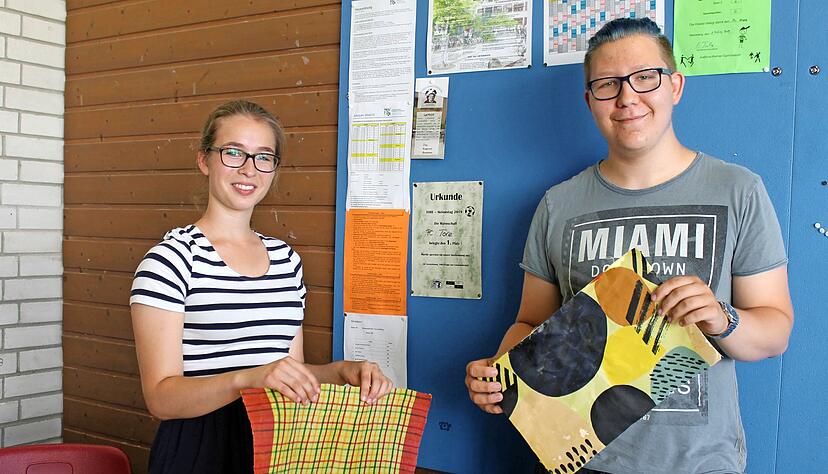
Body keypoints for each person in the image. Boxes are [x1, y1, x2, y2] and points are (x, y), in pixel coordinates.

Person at [465, 18, 793, 473]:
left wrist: (722, 318)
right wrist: (501, 375)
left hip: (700, 464)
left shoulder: (737, 190)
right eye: (607, 84)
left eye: (645, 77)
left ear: (675, 86)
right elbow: (529, 323)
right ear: (589, 101)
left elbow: (775, 332)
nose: (627, 97)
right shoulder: (558, 205)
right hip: (582, 459)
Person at [130, 100, 393, 473]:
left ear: (274, 169)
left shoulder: (286, 260)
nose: (249, 169)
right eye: (233, 152)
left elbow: (288, 373)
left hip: (275, 443)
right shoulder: (172, 259)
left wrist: (340, 372)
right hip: (198, 449)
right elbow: (160, 398)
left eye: (263, 157)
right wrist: (249, 379)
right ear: (205, 160)